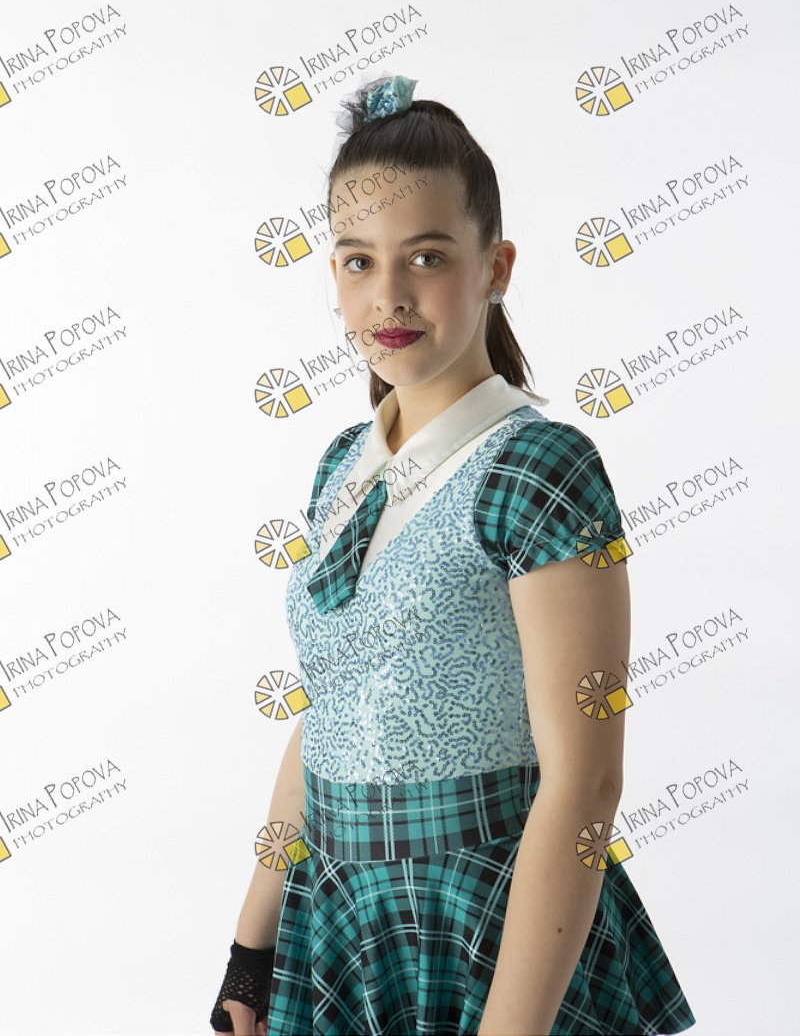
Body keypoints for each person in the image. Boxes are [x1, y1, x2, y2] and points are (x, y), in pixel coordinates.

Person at [210, 74, 697, 1035]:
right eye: (358, 261)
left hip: (495, 933)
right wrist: (250, 952)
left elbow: (587, 784)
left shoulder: (540, 470)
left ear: (496, 266)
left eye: (426, 256)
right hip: (342, 927)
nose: (388, 295)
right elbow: (327, 711)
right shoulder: (341, 466)